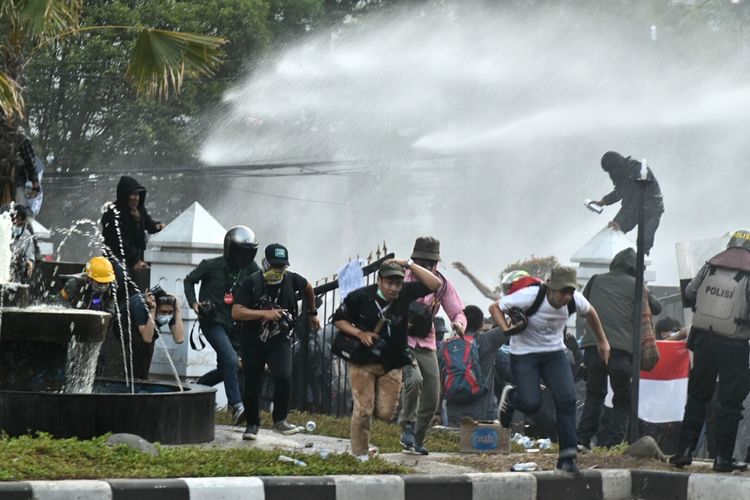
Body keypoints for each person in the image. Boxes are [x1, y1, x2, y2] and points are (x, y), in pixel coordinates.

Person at [490, 266, 610, 475]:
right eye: (563, 291)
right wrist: (506, 330)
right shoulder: (530, 296)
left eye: (570, 291)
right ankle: (511, 397)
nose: (567, 297)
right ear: (550, 288)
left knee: (567, 399)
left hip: (554, 353)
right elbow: (495, 308)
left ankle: (568, 458)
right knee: (531, 402)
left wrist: (602, 341)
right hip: (525, 353)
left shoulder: (575, 300)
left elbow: (591, 313)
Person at [333, 259, 441, 460]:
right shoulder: (360, 297)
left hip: (392, 361)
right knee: (364, 408)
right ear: (379, 280)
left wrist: (408, 263)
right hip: (362, 361)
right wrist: (359, 334)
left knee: (385, 413)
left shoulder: (405, 294)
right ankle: (360, 453)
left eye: (398, 283)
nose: (394, 288)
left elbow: (435, 284)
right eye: (389, 282)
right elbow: (339, 319)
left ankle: (365, 412)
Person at [669, 230, 750, 472]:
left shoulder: (710, 264)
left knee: (697, 396)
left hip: (704, 338)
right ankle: (722, 458)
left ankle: (684, 451)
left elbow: (690, 293)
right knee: (730, 402)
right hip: (734, 343)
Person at [576, 248, 662, 450]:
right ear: (635, 268)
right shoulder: (637, 286)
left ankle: (582, 439)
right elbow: (656, 308)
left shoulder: (596, 280)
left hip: (593, 347)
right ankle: (614, 445)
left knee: (594, 394)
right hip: (621, 351)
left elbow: (582, 308)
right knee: (623, 399)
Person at [232, 243, 320, 440]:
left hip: (279, 338)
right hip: (252, 340)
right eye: (274, 267)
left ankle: (280, 419)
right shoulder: (252, 282)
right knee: (252, 384)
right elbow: (236, 311)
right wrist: (265, 314)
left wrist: (312, 313)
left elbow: (308, 288)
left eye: (281, 267)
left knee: (283, 376)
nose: (278, 271)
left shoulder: (291, 280)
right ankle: (252, 423)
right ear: (265, 264)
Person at [184, 226, 260, 425]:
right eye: (241, 252)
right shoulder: (210, 265)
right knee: (231, 360)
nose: (244, 257)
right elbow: (189, 280)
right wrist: (194, 304)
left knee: (230, 367)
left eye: (248, 252)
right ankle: (237, 407)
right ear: (231, 250)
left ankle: (197, 387)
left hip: (235, 324)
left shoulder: (251, 269)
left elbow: (261, 284)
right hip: (212, 322)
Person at [398, 237, 466, 455]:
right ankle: (406, 425)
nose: (427, 266)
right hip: (401, 338)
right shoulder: (401, 276)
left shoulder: (442, 284)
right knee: (414, 379)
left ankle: (417, 437)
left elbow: (457, 312)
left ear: (437, 263)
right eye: (422, 261)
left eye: (431, 263)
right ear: (414, 259)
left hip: (426, 340)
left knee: (432, 393)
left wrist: (459, 323)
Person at [441, 305, 507, 426]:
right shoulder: (488, 340)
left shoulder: (447, 346)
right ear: (481, 324)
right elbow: (512, 325)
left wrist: (436, 412)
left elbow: (439, 378)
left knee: (455, 443)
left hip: (452, 409)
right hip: (483, 410)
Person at [589, 151, 664, 255]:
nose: (611, 174)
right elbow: (620, 191)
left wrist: (620, 222)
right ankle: (614, 262)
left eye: (611, 170)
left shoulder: (637, 171)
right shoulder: (621, 172)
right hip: (632, 205)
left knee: (644, 242)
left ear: (615, 167)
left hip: (652, 207)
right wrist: (604, 201)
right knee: (613, 232)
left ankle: (641, 267)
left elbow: (636, 200)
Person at [100, 176, 165, 290]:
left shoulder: (139, 210)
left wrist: (157, 226)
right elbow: (120, 242)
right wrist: (135, 260)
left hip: (138, 258)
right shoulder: (112, 213)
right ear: (125, 195)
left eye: (138, 195)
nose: (136, 198)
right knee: (124, 280)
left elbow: (149, 224)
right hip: (117, 259)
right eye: (132, 194)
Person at [120, 286, 185, 380]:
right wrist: (152, 310)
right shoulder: (141, 305)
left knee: (147, 349)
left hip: (148, 325)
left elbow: (179, 338)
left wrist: (178, 310)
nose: (167, 315)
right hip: (125, 326)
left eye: (170, 312)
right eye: (163, 312)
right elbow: (147, 339)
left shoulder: (171, 307)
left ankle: (141, 379)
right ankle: (134, 380)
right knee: (142, 346)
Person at [8, 205, 35, 283]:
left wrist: (29, 263)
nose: (17, 226)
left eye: (20, 224)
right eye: (16, 223)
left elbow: (29, 255)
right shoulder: (3, 231)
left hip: (16, 273)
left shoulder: (27, 235)